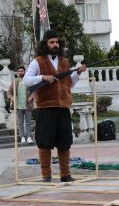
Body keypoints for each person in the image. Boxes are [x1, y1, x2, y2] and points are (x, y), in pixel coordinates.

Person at [23, 29, 86, 183]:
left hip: (63, 107)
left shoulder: (65, 62)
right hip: (45, 108)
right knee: (44, 143)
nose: (55, 44)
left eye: (57, 42)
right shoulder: (37, 61)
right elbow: (27, 80)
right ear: (46, 44)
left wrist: (77, 74)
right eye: (51, 42)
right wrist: (43, 77)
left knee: (64, 142)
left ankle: (65, 174)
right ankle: (46, 175)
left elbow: (69, 83)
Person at [8, 66, 34, 144]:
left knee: (28, 122)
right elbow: (9, 91)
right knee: (21, 122)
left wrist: (31, 97)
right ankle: (22, 137)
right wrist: (11, 97)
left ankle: (29, 137)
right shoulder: (15, 81)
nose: (20, 72)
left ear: (24, 71)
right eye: (19, 71)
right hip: (18, 105)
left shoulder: (28, 81)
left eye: (21, 71)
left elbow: (35, 90)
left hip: (27, 105)